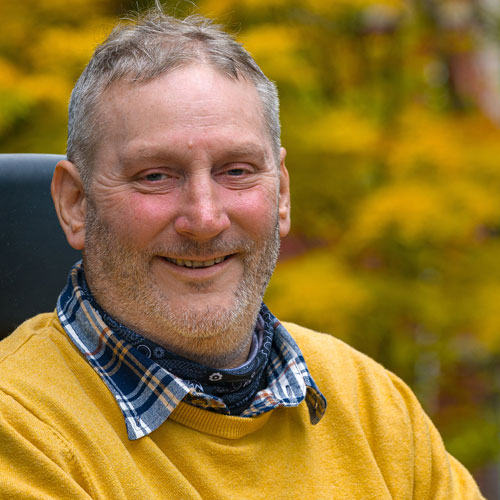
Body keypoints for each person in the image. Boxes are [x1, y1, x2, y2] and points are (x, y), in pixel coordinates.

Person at [0, 7, 485, 500]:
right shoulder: (20, 429)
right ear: (76, 204)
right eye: (155, 176)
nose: (205, 219)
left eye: (236, 171)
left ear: (281, 195)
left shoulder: (373, 405)